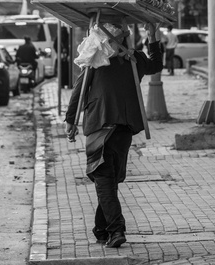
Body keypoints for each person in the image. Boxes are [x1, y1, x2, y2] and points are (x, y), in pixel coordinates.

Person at [65, 22, 163, 248]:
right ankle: (102, 230)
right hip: (124, 129)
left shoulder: (96, 57)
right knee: (108, 179)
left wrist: (71, 120)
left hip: (101, 125)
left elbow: (79, 89)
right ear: (126, 38)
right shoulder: (135, 58)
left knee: (104, 178)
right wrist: (152, 36)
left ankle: (116, 229)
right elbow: (156, 64)